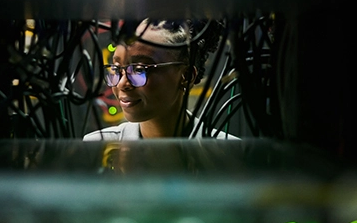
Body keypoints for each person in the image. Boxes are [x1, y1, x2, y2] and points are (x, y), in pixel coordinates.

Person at [83, 18, 240, 141]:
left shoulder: (230, 154)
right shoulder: (96, 147)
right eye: (116, 69)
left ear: (186, 76)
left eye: (139, 70)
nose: (122, 83)